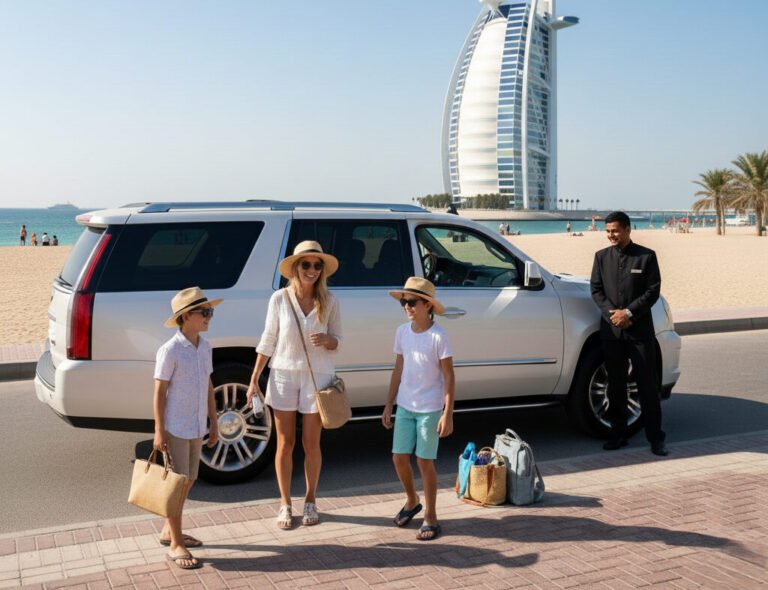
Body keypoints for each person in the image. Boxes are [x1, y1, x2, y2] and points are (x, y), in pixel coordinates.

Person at [247, 240, 342, 530]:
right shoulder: (279, 299)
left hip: (317, 376)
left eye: (317, 265)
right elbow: (268, 339)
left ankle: (311, 499)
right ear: (296, 268)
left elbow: (338, 341)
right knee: (285, 443)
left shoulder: (330, 301)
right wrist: (254, 378)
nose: (312, 270)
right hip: (283, 375)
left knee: (311, 443)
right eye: (306, 264)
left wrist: (327, 340)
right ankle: (285, 503)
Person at [153, 287, 222, 569]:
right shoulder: (170, 350)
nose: (209, 317)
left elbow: (208, 386)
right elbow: (159, 393)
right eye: (204, 312)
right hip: (176, 426)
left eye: (210, 312)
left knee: (190, 479)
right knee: (177, 484)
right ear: (185, 317)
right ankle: (176, 544)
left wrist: (214, 422)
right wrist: (159, 430)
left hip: (196, 426)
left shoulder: (205, 347)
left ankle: (169, 530)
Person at [382, 277, 455, 541]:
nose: (407, 306)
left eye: (412, 302)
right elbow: (398, 369)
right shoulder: (402, 332)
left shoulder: (439, 336)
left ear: (428, 305)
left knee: (425, 461)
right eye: (404, 302)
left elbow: (449, 376)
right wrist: (389, 403)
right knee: (399, 458)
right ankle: (412, 500)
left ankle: (431, 516)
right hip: (405, 405)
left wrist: (447, 412)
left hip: (430, 408)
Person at [590, 211, 667, 457]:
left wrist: (629, 313)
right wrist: (613, 315)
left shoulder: (646, 256)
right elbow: (596, 290)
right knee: (615, 385)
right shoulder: (601, 257)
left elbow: (653, 291)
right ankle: (618, 434)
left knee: (648, 386)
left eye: (615, 230)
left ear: (627, 229)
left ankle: (656, 438)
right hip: (612, 331)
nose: (611, 235)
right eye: (608, 231)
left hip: (640, 332)